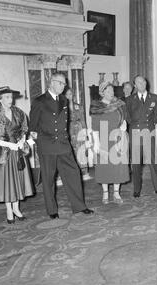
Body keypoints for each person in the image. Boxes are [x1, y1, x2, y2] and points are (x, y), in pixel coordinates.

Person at [29, 73, 94, 219]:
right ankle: (52, 210)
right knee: (48, 179)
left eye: (64, 84)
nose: (63, 87)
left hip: (63, 144)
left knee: (74, 173)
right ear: (51, 83)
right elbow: (32, 127)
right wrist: (41, 143)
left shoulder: (64, 100)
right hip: (47, 145)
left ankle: (79, 206)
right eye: (61, 83)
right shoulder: (39, 101)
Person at [0, 86, 35, 224]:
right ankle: (8, 210)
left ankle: (16, 209)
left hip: (18, 152)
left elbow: (24, 130)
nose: (10, 99)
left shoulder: (19, 112)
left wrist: (21, 141)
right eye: (7, 97)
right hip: (3, 154)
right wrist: (9, 145)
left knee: (17, 180)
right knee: (7, 182)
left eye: (11, 96)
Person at [125, 75, 157, 198]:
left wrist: (148, 126)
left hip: (148, 132)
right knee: (136, 163)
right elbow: (127, 117)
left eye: (143, 81)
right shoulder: (129, 100)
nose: (142, 84)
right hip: (135, 132)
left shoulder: (154, 98)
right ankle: (137, 189)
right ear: (135, 85)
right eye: (139, 82)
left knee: (154, 161)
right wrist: (136, 126)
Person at [90, 81, 129, 204]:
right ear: (102, 92)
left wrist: (124, 127)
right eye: (108, 91)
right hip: (103, 139)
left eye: (112, 91)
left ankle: (116, 193)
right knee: (104, 167)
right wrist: (96, 143)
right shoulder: (96, 106)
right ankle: (105, 193)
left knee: (117, 167)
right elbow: (95, 127)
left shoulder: (119, 104)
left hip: (117, 138)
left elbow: (124, 119)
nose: (111, 93)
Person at [65, 88, 90, 181]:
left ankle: (84, 172)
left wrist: (86, 133)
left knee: (81, 150)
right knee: (70, 151)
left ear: (73, 95)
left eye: (70, 94)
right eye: (66, 94)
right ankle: (71, 173)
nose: (68, 96)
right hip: (69, 130)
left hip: (79, 130)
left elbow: (83, 120)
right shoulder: (62, 108)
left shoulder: (79, 106)